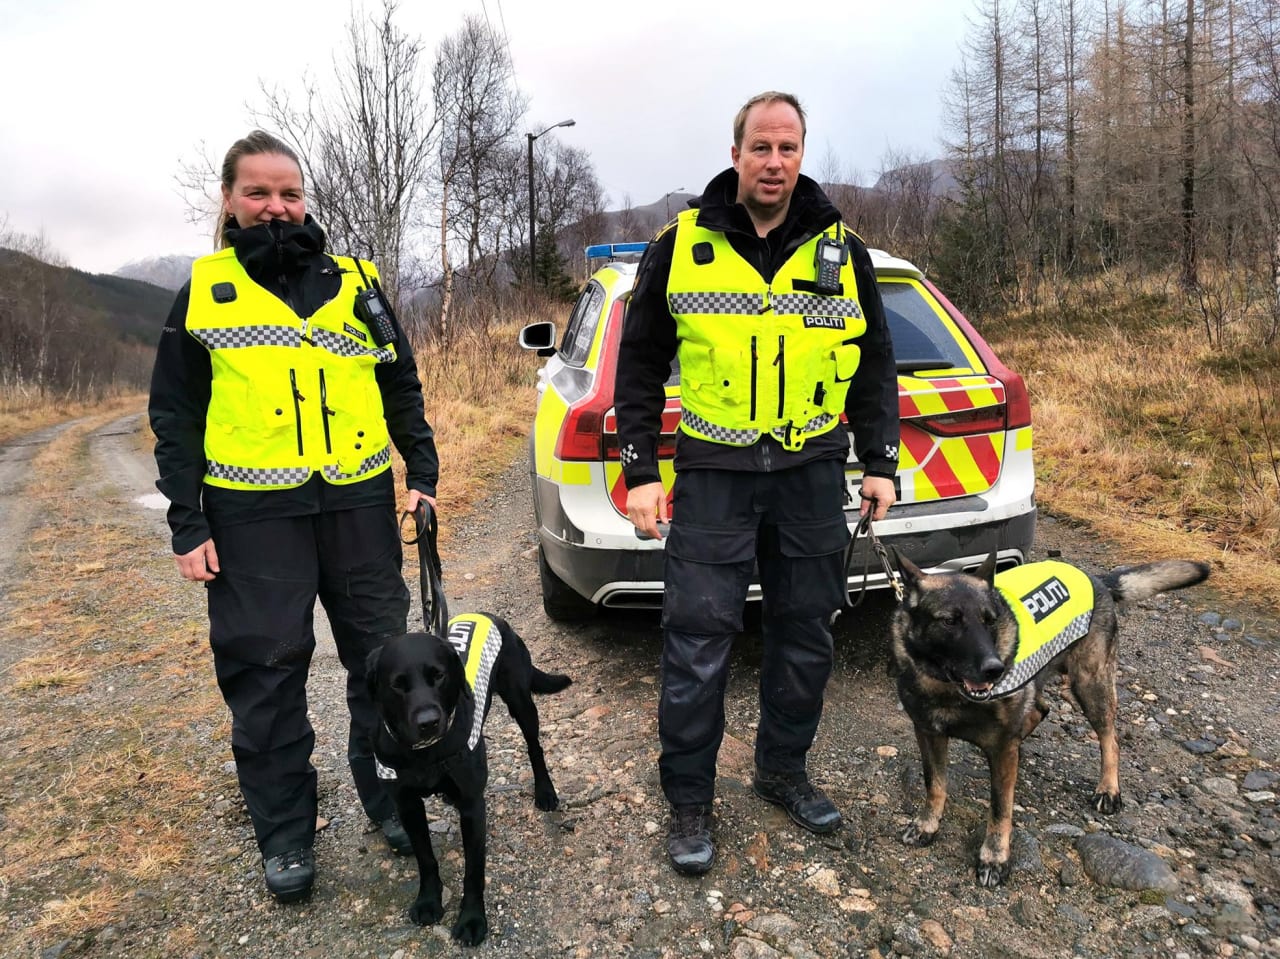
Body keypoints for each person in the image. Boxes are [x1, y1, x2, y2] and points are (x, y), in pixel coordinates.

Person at [148, 130, 440, 903]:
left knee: (384, 663)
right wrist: (188, 522)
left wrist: (423, 472)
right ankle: (284, 834)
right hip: (252, 519)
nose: (276, 206)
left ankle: (391, 799)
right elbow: (174, 414)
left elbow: (399, 380)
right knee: (267, 675)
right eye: (258, 192)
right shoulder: (205, 291)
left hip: (358, 505)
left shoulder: (356, 284)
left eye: (289, 193)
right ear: (229, 200)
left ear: (305, 200)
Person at [615, 92, 900, 875]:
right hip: (716, 475)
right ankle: (689, 800)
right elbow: (637, 364)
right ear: (736, 152)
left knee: (805, 635)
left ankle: (782, 771)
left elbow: (874, 361)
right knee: (697, 642)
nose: (775, 162)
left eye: (789, 147)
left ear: (803, 152)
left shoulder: (843, 250)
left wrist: (880, 461)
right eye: (762, 147)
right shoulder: (681, 245)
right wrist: (640, 471)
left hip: (811, 472)